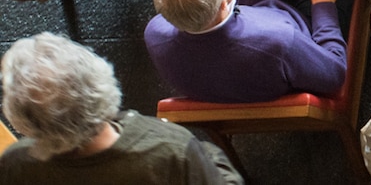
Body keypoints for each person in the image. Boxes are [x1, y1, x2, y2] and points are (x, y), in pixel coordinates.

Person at [0, 32, 243, 184]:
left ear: (22, 120)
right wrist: (207, 153)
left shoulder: (15, 164)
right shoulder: (171, 148)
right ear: (98, 80)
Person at [144, 0, 362, 103]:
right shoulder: (280, 41)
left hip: (250, 49)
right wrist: (323, 2)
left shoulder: (155, 32)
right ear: (223, 4)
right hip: (303, 29)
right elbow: (334, 73)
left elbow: (239, 2)